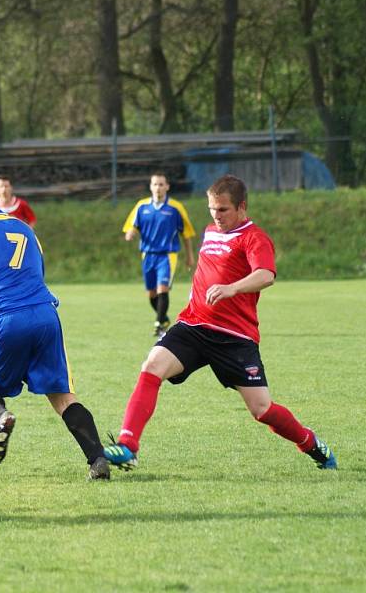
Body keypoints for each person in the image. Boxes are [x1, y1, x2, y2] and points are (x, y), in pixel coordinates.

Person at [104, 174, 337, 472]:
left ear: (242, 207)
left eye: (223, 210)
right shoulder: (210, 232)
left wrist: (232, 288)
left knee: (261, 409)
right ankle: (128, 445)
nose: (217, 216)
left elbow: (266, 274)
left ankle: (311, 443)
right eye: (212, 209)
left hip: (234, 337)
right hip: (194, 326)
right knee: (151, 366)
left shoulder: (255, 238)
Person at [0, 183, 110, 480]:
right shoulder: (24, 228)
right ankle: (97, 459)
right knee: (63, 397)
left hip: (5, 317)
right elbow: (36, 269)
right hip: (45, 314)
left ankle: (0, 418)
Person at [122, 172, 195, 336]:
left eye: (161, 184)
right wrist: (131, 233)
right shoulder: (142, 206)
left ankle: (159, 325)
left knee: (163, 289)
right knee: (152, 293)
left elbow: (187, 234)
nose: (158, 187)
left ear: (167, 187)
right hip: (148, 255)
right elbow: (132, 226)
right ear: (150, 186)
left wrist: (190, 256)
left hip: (167, 255)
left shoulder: (175, 208)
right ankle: (164, 319)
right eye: (155, 184)